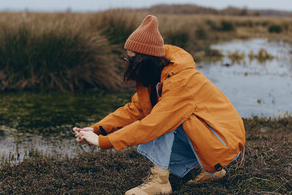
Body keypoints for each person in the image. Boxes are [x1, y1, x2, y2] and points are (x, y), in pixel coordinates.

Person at [73, 15, 245, 195]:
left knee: (162, 123)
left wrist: (104, 142)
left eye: (131, 60)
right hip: (212, 138)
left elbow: (155, 124)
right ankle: (209, 170)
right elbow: (135, 109)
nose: (128, 65)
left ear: (145, 60)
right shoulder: (156, 76)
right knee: (161, 119)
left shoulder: (182, 80)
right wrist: (97, 129)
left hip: (222, 142)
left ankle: (160, 182)